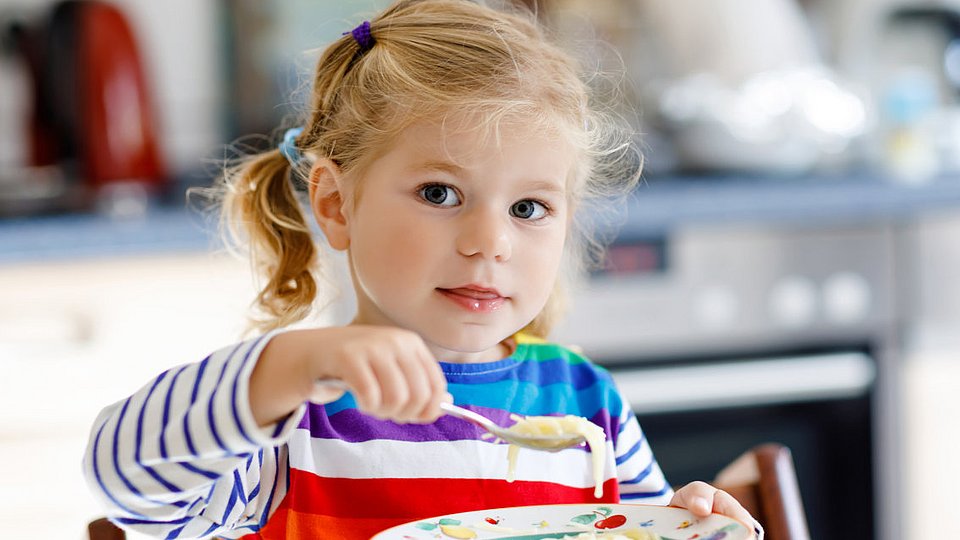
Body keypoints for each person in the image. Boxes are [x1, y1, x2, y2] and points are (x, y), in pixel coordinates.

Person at [83, 1, 762, 538]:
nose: (489, 243)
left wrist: (691, 519)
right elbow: (122, 479)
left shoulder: (588, 406)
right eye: (440, 194)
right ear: (334, 202)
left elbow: (640, 531)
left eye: (528, 207)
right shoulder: (293, 418)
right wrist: (288, 367)